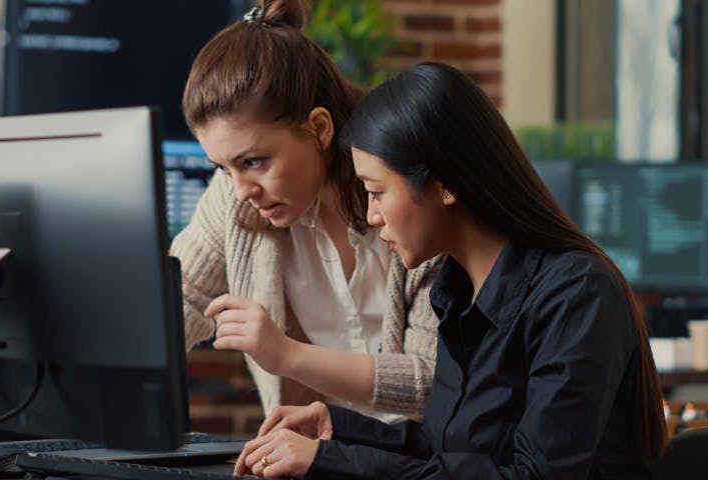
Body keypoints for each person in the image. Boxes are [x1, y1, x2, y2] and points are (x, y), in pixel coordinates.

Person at [232, 62, 668, 479]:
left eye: (377, 192)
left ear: (445, 184)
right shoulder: (457, 288)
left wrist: (329, 463)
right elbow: (449, 449)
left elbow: (534, 476)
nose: (372, 215)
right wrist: (339, 430)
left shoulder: (575, 294)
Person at [170, 0, 441, 422]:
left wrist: (286, 355)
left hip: (426, 460)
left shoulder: (411, 193)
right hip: (324, 457)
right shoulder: (234, 197)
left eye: (254, 161)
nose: (241, 191)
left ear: (319, 128)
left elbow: (433, 382)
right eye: (222, 168)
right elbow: (178, 299)